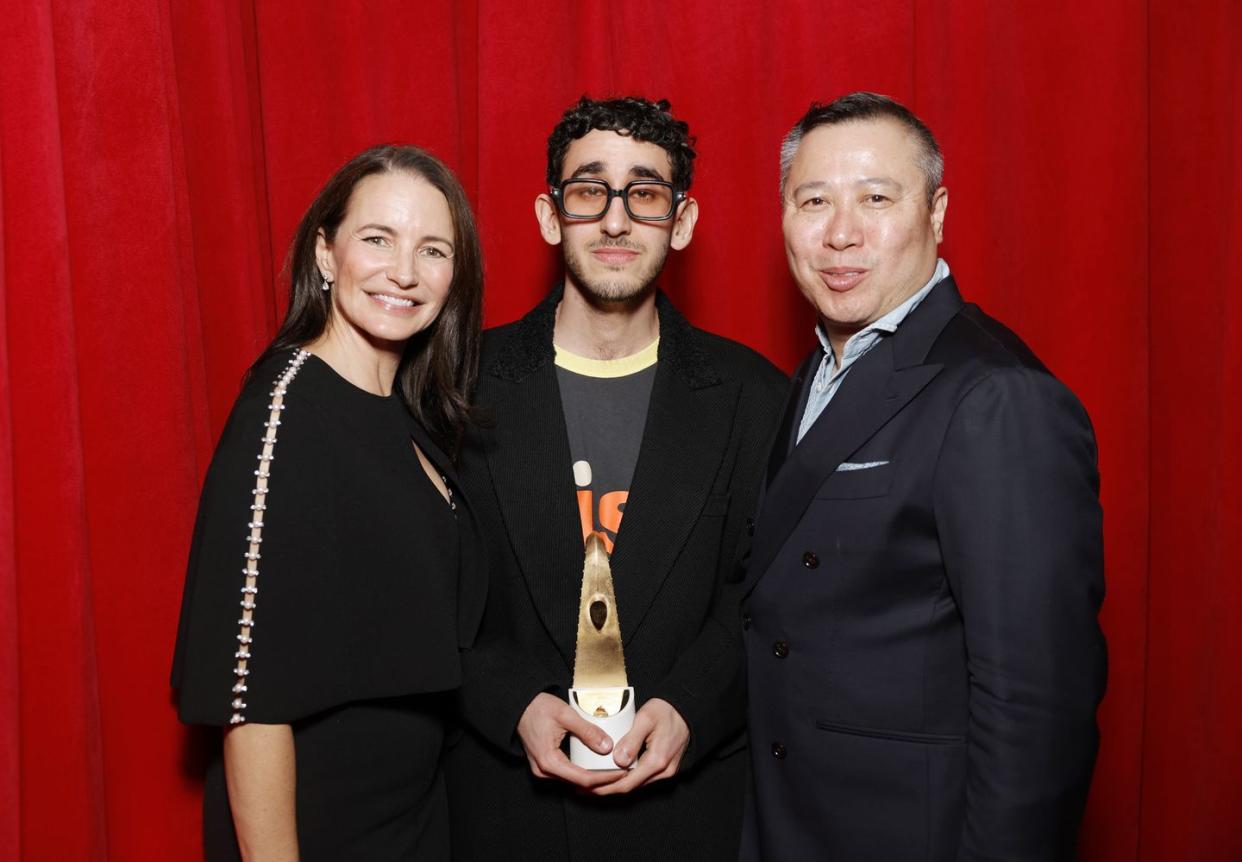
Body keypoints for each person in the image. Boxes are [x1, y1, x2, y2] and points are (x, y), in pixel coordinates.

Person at [740, 91, 1107, 861]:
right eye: (814, 201)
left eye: (877, 198)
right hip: (797, 820)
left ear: (936, 214)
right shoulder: (814, 374)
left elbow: (1037, 709)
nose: (842, 233)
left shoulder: (996, 396)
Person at [445, 96, 788, 861]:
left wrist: (693, 707)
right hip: (505, 818)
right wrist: (512, 706)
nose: (615, 219)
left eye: (646, 192)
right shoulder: (460, 389)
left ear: (683, 220)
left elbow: (764, 597)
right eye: (589, 189)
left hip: (688, 820)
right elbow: (428, 589)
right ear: (549, 214)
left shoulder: (755, 398)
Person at [171, 144, 486, 861]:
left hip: (413, 819)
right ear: (324, 252)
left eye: (433, 250)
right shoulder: (286, 414)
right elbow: (249, 703)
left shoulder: (405, 410)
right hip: (324, 829)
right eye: (378, 239)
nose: (404, 272)